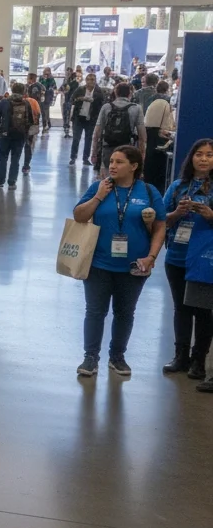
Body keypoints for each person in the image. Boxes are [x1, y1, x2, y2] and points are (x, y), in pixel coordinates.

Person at [72, 146, 166, 378]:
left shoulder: (149, 192)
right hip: (98, 264)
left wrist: (151, 257)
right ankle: (90, 356)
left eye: (119, 162)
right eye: (111, 161)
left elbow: (161, 226)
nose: (112, 166)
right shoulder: (99, 187)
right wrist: (98, 197)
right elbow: (79, 215)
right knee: (95, 311)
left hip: (134, 266)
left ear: (134, 166)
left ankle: (118, 356)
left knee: (125, 312)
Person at [161, 140, 213, 387]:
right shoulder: (177, 186)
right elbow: (161, 221)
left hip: (205, 260)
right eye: (199, 154)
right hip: (177, 256)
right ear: (191, 157)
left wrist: (211, 215)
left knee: (203, 310)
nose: (203, 159)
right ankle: (180, 355)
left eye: (210, 155)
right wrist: (176, 213)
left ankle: (198, 359)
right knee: (181, 308)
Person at [92, 83, 145, 180]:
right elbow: (142, 136)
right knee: (125, 180)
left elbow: (97, 133)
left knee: (106, 181)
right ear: (130, 93)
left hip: (107, 149)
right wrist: (142, 156)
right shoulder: (136, 108)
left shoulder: (106, 107)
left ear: (115, 93)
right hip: (127, 149)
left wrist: (94, 153)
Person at [0, 83, 31, 189]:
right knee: (15, 159)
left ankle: (0, 182)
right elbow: (30, 121)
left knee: (2, 157)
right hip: (20, 135)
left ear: (12, 90)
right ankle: (12, 182)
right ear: (23, 91)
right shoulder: (26, 103)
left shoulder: (4, 102)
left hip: (5, 134)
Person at [144, 81, 176, 191]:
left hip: (149, 134)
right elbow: (167, 123)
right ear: (167, 89)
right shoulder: (166, 101)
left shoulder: (150, 99)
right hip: (160, 138)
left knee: (149, 163)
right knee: (158, 167)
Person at [70, 73, 103, 166]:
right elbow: (72, 100)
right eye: (89, 79)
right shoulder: (80, 89)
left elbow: (102, 103)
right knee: (76, 138)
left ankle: (85, 158)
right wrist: (80, 99)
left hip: (91, 119)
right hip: (78, 118)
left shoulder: (98, 91)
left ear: (95, 81)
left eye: (93, 79)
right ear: (86, 80)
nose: (91, 81)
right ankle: (73, 157)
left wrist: (93, 101)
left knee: (88, 139)